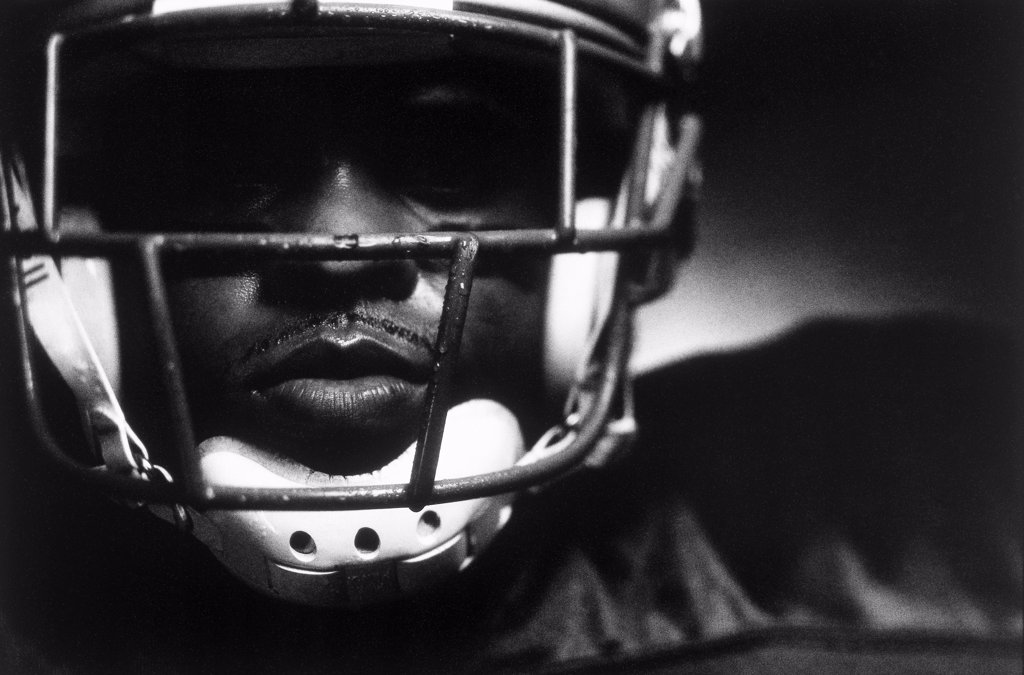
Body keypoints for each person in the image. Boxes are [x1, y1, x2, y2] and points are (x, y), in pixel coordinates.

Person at [0, 1, 1019, 672]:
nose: (336, 247)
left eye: (449, 149)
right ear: (72, 263)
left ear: (625, 219)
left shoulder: (936, 511)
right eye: (219, 161)